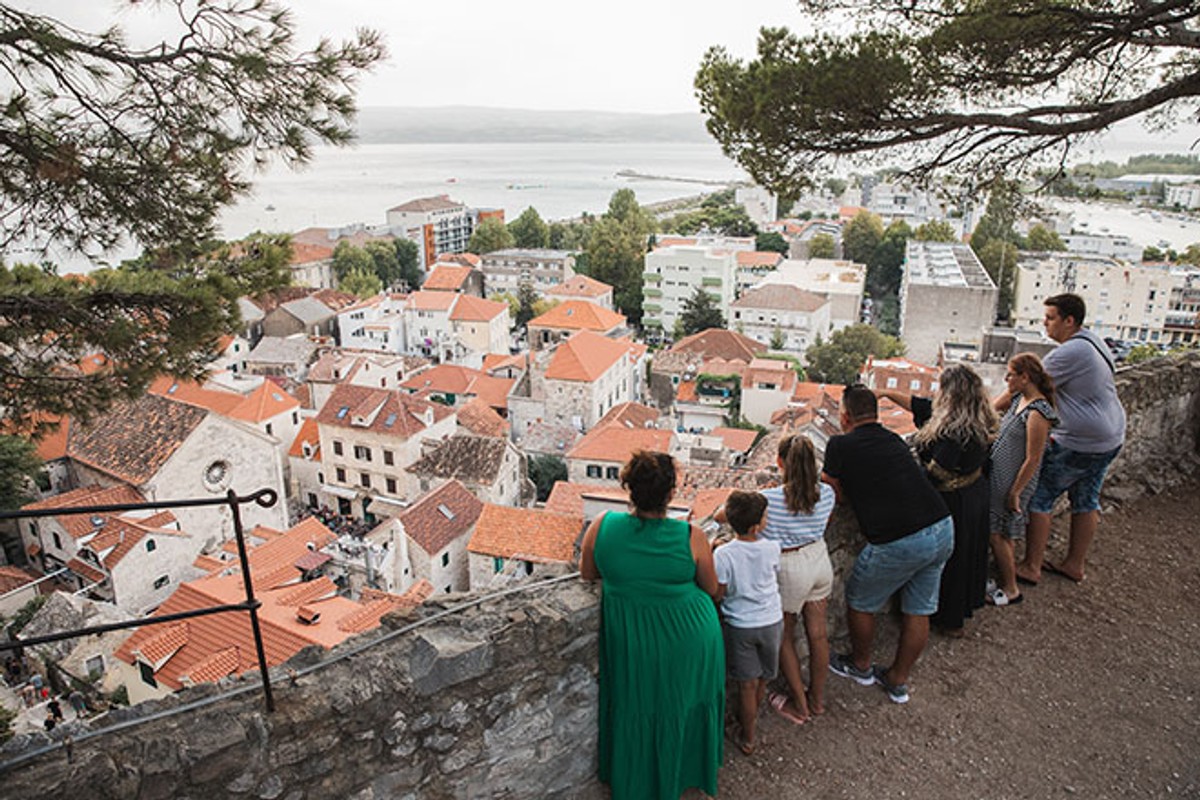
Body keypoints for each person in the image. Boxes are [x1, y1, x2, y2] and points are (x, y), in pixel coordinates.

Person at [580, 450, 724, 800]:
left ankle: (637, 780)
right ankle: (682, 773)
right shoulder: (691, 536)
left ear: (629, 488)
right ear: (670, 494)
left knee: (637, 708)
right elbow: (712, 589)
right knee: (684, 705)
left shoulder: (602, 526)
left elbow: (587, 574)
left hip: (635, 638)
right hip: (692, 634)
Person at [822, 384, 954, 704]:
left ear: (845, 416)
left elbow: (830, 491)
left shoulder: (840, 445)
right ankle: (897, 680)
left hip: (900, 539)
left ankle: (861, 665)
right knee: (919, 610)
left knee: (860, 601)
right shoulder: (893, 439)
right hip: (941, 526)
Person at [1011, 294, 1125, 584]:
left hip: (1079, 440)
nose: (1045, 323)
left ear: (1069, 321)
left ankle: (1031, 566)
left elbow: (1024, 389)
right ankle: (1075, 564)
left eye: (1050, 318)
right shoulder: (1095, 342)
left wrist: (986, 410)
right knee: (1086, 499)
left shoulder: (1068, 354)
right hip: (1110, 436)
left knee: (1040, 497)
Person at [878, 365, 998, 637]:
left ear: (950, 393)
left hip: (955, 501)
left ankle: (947, 617)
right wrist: (884, 392)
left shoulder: (955, 432)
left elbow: (938, 473)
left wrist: (904, 469)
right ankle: (960, 608)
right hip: (975, 493)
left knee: (953, 561)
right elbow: (920, 406)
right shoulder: (977, 418)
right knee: (967, 556)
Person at [751, 434, 835, 721]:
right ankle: (818, 699)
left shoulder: (767, 500)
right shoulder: (827, 494)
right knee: (818, 634)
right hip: (820, 559)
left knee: (785, 635)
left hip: (790, 566)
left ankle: (799, 704)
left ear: (779, 462)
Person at [713, 490, 781, 755]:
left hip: (741, 624)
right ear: (757, 526)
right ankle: (750, 725)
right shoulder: (772, 548)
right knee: (763, 680)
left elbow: (718, 592)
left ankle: (748, 737)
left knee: (746, 686)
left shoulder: (724, 554)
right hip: (772, 621)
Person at [988, 353, 1057, 605]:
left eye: (1010, 374)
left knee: (998, 535)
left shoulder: (1038, 412)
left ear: (1025, 377)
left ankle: (1011, 589)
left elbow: (1033, 458)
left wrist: (1016, 491)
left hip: (1012, 481)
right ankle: (1007, 580)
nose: (1006, 379)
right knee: (1001, 532)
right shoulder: (1019, 399)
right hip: (1001, 476)